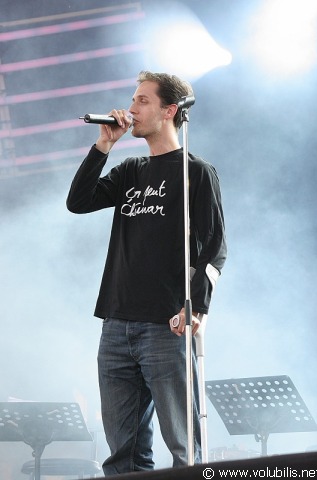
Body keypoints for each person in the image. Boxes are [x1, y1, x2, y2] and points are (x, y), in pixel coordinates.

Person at [66, 71, 227, 475]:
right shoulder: (130, 171)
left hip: (165, 325)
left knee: (184, 447)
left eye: (142, 101)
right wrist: (103, 145)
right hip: (116, 324)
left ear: (170, 110)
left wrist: (197, 308)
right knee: (122, 451)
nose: (131, 108)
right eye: (132, 100)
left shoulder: (196, 172)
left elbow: (214, 249)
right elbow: (78, 202)